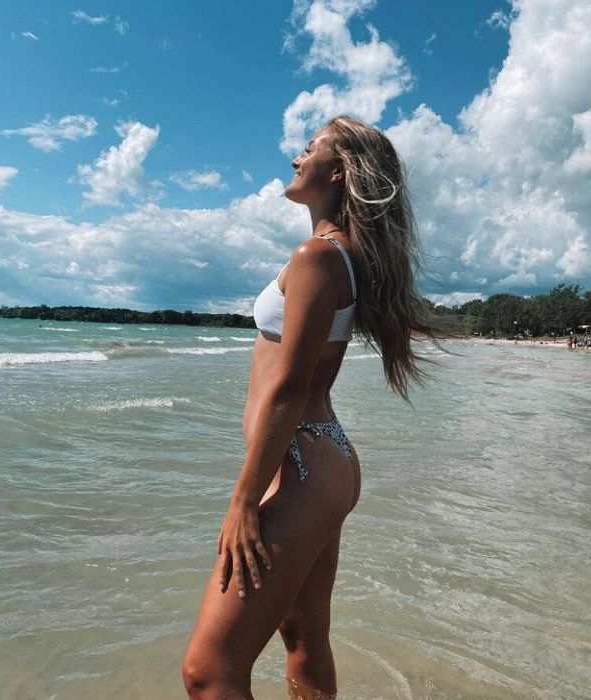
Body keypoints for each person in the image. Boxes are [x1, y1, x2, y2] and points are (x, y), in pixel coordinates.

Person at [181, 117, 446, 699]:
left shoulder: (318, 256)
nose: (295, 157)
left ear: (340, 169)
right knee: (302, 637)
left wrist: (243, 501)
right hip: (323, 462)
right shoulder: (341, 256)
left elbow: (289, 387)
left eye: (309, 148)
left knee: (209, 672)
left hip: (299, 468)